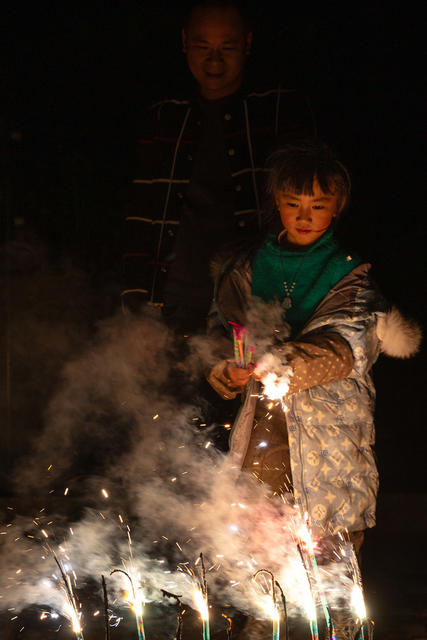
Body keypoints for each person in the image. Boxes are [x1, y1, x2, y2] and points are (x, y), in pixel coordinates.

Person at [206, 140, 421, 561]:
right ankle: (264, 614)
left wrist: (279, 363)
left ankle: (333, 619)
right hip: (266, 419)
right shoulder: (247, 268)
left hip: (333, 422)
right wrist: (226, 367)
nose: (305, 217)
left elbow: (347, 348)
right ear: (277, 204)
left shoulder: (350, 273)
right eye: (293, 204)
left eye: (318, 206)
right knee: (257, 512)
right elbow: (222, 330)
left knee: (329, 528)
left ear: (337, 206)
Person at [122, 0, 315, 333]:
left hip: (255, 305)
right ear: (184, 42)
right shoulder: (165, 116)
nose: (214, 60)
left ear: (247, 44)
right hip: (173, 303)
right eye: (202, 46)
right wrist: (135, 306)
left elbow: (312, 206)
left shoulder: (278, 110)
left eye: (227, 47)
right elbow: (141, 216)